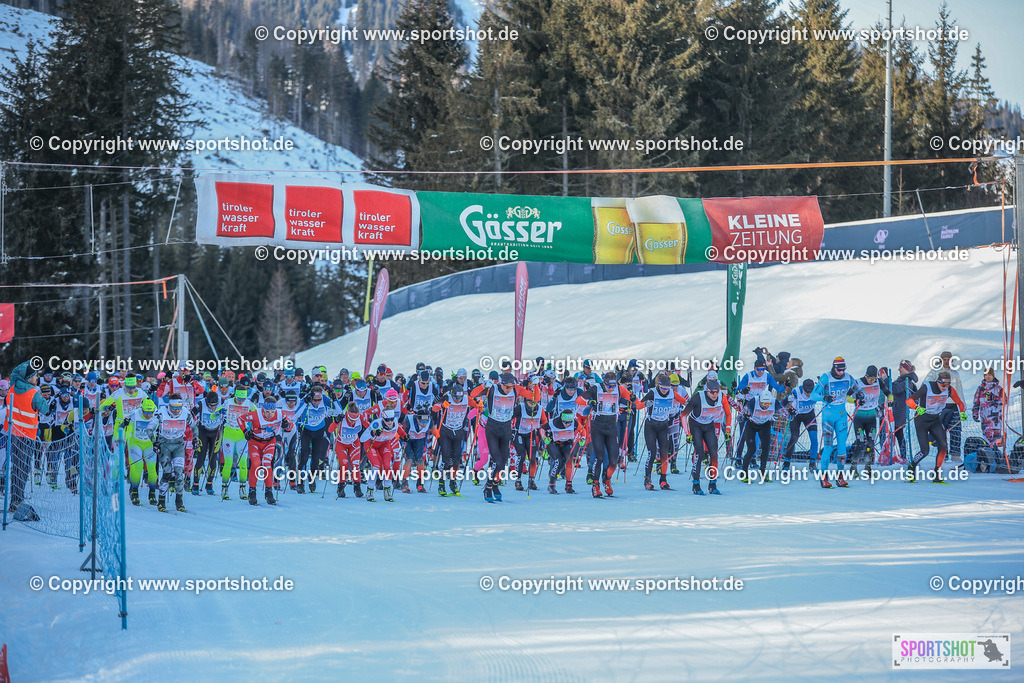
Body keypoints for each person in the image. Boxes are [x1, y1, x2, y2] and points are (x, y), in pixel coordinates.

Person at [3, 361, 50, 511]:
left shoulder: (11, 389)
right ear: (28, 378)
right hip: (27, 436)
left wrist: (26, 365)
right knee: (22, 469)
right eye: (35, 375)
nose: (37, 377)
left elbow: (15, 374)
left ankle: (14, 498)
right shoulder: (34, 394)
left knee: (16, 467)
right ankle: (17, 500)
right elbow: (46, 409)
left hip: (13, 434)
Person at [906, 370, 966, 483]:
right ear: (938, 382)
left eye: (947, 385)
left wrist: (962, 412)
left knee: (943, 445)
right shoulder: (927, 387)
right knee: (925, 451)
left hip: (935, 420)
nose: (945, 387)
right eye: (943, 385)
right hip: (921, 420)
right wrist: (917, 408)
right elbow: (909, 400)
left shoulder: (949, 389)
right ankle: (911, 467)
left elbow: (959, 402)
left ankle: (937, 473)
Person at [636, 375, 688, 490]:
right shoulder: (652, 393)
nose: (665, 390)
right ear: (658, 386)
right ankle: (647, 479)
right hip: (651, 426)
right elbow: (638, 406)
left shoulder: (672, 393)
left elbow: (685, 402)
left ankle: (663, 480)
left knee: (665, 453)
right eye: (663, 388)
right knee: (652, 453)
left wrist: (692, 402)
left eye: (667, 388)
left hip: (664, 425)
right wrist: (645, 404)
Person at [681, 379, 730, 495]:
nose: (714, 394)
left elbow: (728, 413)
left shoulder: (722, 397)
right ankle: (696, 484)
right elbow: (683, 415)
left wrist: (727, 429)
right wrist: (687, 434)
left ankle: (713, 484)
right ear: (706, 391)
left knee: (714, 453)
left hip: (709, 426)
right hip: (696, 425)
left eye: (716, 391)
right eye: (711, 392)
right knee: (700, 452)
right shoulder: (698, 397)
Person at [817, 356, 857, 488]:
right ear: (834, 368)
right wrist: (824, 397)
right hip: (828, 416)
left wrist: (859, 398)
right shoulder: (826, 377)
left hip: (841, 415)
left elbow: (857, 389)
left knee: (841, 448)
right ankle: (824, 478)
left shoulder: (848, 377)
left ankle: (840, 477)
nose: (841, 372)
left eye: (843, 369)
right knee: (828, 448)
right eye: (839, 370)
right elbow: (813, 395)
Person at [153, 394, 197, 512]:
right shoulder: (161, 412)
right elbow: (149, 429)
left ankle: (179, 500)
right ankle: (161, 501)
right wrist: (154, 442)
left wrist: (196, 439)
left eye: (179, 407)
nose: (177, 410)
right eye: (174, 408)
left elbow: (194, 427)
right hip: (165, 445)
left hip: (178, 445)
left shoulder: (185, 412)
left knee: (179, 473)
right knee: (167, 473)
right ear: (169, 406)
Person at [242, 401, 291, 506]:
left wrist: (286, 425)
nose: (269, 414)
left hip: (269, 442)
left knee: (267, 464)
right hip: (255, 442)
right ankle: (252, 491)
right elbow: (240, 419)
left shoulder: (281, 414)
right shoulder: (255, 413)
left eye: (272, 412)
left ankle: (269, 492)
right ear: (263, 410)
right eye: (267, 412)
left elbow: (289, 426)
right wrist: (245, 431)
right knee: (256, 464)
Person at [848, 366, 892, 479]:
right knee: (861, 442)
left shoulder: (878, 381)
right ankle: (853, 467)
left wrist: (891, 400)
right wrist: (856, 401)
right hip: (859, 417)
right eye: (870, 379)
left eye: (874, 379)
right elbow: (847, 397)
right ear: (866, 376)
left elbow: (888, 392)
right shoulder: (857, 383)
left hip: (871, 417)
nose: (872, 381)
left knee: (871, 443)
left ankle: (868, 468)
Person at [923, 351, 965, 461]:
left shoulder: (955, 374)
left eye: (948, 360)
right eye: (944, 359)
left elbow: (959, 390)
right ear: (941, 360)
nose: (946, 362)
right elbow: (925, 385)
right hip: (940, 405)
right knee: (940, 430)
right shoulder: (934, 373)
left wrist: (962, 407)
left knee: (956, 430)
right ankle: (943, 454)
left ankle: (955, 454)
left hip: (953, 404)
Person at [123, 399, 160, 506]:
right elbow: (124, 423)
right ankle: (134, 492)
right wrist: (125, 423)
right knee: (138, 467)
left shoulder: (157, 414)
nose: (148, 415)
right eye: (146, 412)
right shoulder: (135, 413)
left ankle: (152, 494)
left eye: (150, 412)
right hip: (135, 442)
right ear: (142, 409)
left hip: (149, 443)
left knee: (152, 469)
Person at [783, 379, 821, 472]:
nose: (808, 394)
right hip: (796, 416)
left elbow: (826, 396)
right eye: (806, 391)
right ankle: (786, 462)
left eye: (810, 391)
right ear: (803, 388)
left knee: (814, 438)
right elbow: (783, 403)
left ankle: (812, 463)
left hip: (809, 415)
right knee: (794, 437)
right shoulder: (796, 392)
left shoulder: (817, 391)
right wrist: (788, 410)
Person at [192, 390, 225, 495]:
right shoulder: (201, 403)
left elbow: (232, 409)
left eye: (215, 405)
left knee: (213, 459)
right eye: (210, 405)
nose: (213, 407)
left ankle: (209, 483)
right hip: (203, 432)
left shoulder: (223, 401)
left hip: (216, 432)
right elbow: (191, 413)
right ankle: (195, 484)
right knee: (200, 458)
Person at [890, 360, 918, 463]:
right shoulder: (902, 380)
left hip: (900, 411)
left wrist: (886, 381)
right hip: (896, 410)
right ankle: (896, 455)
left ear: (906, 369)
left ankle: (903, 456)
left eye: (901, 367)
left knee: (899, 434)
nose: (899, 369)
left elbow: (895, 389)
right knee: (894, 434)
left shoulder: (907, 381)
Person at [972, 368, 1005, 450]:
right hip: (985, 419)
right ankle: (989, 455)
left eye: (989, 375)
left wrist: (996, 399)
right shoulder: (980, 389)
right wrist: (975, 414)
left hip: (996, 419)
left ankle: (996, 454)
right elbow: (976, 402)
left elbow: (1005, 401)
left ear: (993, 376)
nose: (988, 377)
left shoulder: (999, 389)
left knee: (997, 439)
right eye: (986, 375)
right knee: (987, 438)